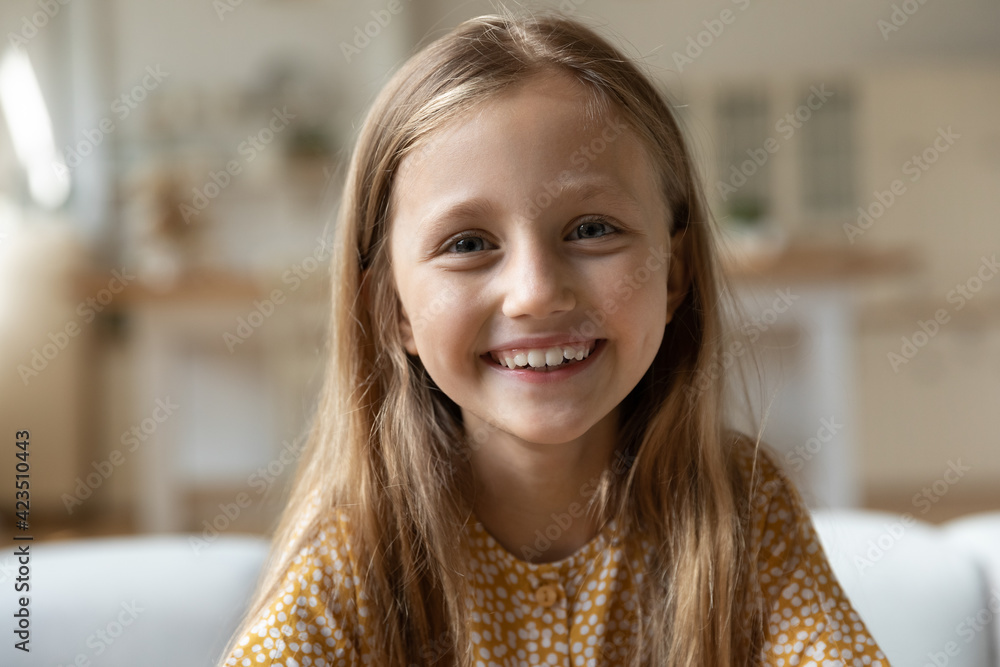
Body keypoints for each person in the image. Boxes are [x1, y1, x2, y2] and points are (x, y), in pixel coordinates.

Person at [219, 9, 890, 666]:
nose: (536, 290)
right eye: (469, 243)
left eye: (592, 229)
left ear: (675, 272)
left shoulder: (741, 506)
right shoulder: (352, 557)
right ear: (390, 309)